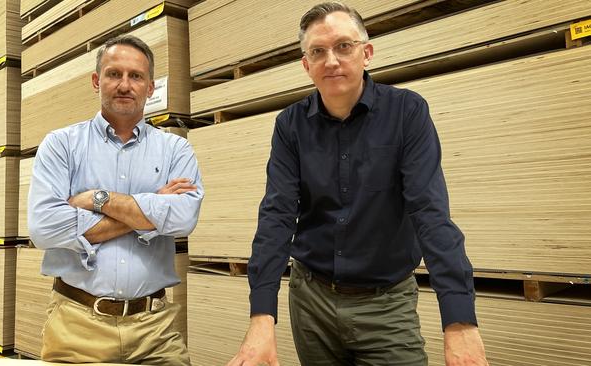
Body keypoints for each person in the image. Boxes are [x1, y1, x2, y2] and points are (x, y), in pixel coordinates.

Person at [228, 2, 488, 366]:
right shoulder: (291, 125)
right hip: (311, 300)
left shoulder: (407, 113)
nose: (331, 60)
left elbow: (429, 211)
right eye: (318, 51)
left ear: (366, 53)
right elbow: (277, 215)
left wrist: (459, 320)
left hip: (385, 302)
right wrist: (261, 316)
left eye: (343, 47)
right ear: (306, 65)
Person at [28, 34, 203, 365]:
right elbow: (45, 228)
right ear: (96, 81)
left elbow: (183, 218)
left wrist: (97, 198)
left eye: (136, 76)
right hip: (76, 325)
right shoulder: (61, 145)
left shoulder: (175, 149)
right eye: (114, 74)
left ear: (150, 87)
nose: (125, 85)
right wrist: (151, 207)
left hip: (154, 328)